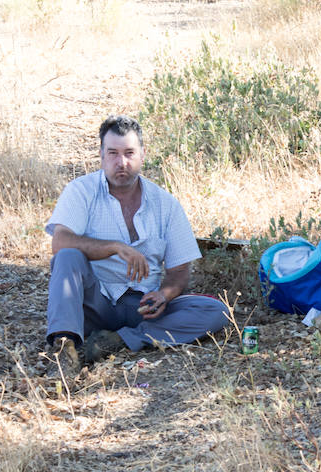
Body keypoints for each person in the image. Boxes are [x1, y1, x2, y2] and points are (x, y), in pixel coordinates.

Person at [44, 115, 230, 378]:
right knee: (66, 257)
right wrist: (115, 247)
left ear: (143, 154)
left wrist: (164, 295)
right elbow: (59, 242)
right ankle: (65, 348)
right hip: (96, 303)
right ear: (101, 155)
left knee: (217, 311)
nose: (122, 163)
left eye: (129, 153)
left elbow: (179, 272)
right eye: (113, 153)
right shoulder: (81, 191)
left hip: (144, 308)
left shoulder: (165, 204)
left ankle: (119, 340)